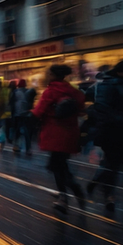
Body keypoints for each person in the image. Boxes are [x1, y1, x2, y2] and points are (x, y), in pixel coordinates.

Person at [31, 64, 86, 213]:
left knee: (57, 167)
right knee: (61, 163)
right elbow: (81, 107)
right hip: (70, 132)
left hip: (54, 133)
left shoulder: (50, 91)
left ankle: (66, 196)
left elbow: (38, 111)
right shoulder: (74, 91)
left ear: (53, 75)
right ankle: (68, 193)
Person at [86, 59, 123, 212]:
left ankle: (97, 184)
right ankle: (109, 196)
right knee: (113, 166)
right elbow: (103, 110)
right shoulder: (108, 85)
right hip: (114, 134)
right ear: (121, 72)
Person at [10, 79, 36, 156]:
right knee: (27, 133)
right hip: (27, 114)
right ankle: (28, 149)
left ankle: (17, 146)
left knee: (17, 131)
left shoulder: (15, 92)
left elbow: (12, 103)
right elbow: (31, 103)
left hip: (18, 114)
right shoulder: (29, 92)